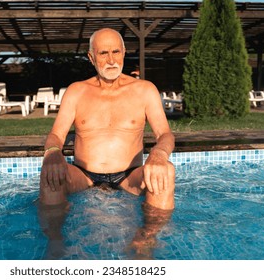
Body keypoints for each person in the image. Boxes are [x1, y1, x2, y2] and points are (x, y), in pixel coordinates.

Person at [38, 28, 175, 258]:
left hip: (130, 177)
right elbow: (56, 136)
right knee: (50, 172)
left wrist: (159, 155)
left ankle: (146, 240)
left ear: (124, 52)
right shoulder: (77, 91)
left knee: (166, 172)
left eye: (116, 52)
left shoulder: (144, 90)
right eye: (103, 53)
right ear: (91, 57)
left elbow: (166, 135)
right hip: (83, 176)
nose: (111, 60)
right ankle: (55, 241)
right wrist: (53, 153)